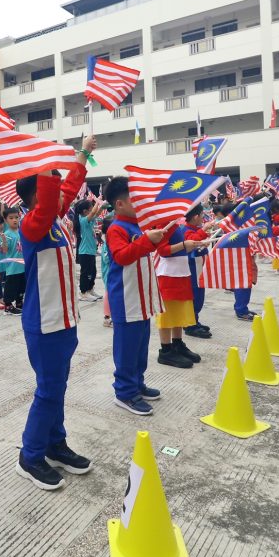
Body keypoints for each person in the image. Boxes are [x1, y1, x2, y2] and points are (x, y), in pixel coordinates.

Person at [13, 135, 96, 491]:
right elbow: (50, 204)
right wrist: (44, 160)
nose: (63, 191)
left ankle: (54, 444)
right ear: (37, 195)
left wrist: (83, 153)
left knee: (57, 388)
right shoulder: (33, 224)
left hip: (64, 320)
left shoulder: (56, 222)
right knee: (48, 390)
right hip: (43, 324)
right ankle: (30, 457)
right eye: (53, 185)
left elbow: (71, 188)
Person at [102, 177, 166, 416]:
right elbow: (122, 257)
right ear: (119, 204)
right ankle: (125, 392)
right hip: (126, 299)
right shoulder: (116, 228)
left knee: (140, 346)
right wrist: (146, 241)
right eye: (134, 200)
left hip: (141, 298)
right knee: (127, 349)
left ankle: (137, 383)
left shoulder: (138, 226)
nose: (139, 204)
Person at [155, 207, 210, 368]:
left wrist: (189, 245)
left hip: (181, 272)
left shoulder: (174, 224)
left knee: (179, 311)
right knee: (167, 314)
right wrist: (185, 244)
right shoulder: (164, 224)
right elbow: (163, 251)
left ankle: (177, 343)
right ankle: (165, 350)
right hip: (168, 275)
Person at [182, 206, 212, 338]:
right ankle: (190, 325)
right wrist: (204, 230)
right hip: (192, 268)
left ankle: (194, 320)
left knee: (199, 294)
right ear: (195, 217)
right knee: (194, 295)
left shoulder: (193, 229)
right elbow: (192, 242)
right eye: (201, 215)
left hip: (199, 267)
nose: (203, 218)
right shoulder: (186, 230)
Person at [74, 200, 101, 302]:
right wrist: (98, 202)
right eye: (90, 208)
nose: (92, 210)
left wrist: (102, 206)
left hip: (90, 251)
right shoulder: (83, 220)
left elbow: (96, 213)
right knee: (86, 273)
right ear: (85, 211)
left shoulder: (88, 219)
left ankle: (90, 289)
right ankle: (83, 292)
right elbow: (94, 212)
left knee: (93, 272)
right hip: (85, 252)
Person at [1, 207, 25, 316]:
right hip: (13, 267)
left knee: (21, 286)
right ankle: (8, 306)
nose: (14, 220)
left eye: (16, 217)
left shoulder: (20, 231)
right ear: (6, 220)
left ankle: (19, 303)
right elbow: (5, 250)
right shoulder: (7, 234)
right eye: (11, 218)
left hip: (23, 265)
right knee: (11, 286)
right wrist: (4, 241)